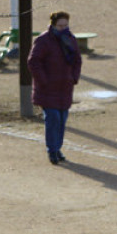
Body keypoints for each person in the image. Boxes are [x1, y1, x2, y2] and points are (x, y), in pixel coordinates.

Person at [27, 11, 82, 165]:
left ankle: (57, 148)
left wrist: (74, 77)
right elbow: (33, 61)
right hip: (48, 89)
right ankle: (52, 150)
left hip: (65, 88)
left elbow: (77, 60)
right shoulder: (44, 40)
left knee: (62, 120)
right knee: (53, 120)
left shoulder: (70, 38)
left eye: (66, 25)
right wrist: (44, 80)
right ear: (53, 25)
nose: (63, 28)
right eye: (60, 26)